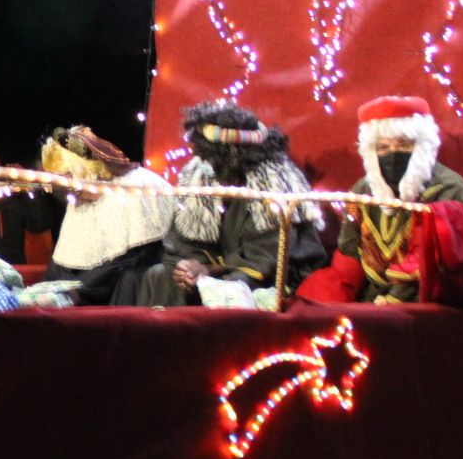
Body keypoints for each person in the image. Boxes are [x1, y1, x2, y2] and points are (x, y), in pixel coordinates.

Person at [139, 102, 327, 307]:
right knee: (159, 276)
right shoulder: (199, 175)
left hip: (270, 276)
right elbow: (183, 242)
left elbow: (268, 259)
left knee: (231, 289)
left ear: (230, 157)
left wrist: (209, 271)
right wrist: (189, 267)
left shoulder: (272, 184)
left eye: (209, 156)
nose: (202, 161)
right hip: (219, 267)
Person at [323, 95, 463, 304]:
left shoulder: (450, 189)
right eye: (383, 148)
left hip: (434, 301)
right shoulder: (362, 191)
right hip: (374, 298)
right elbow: (349, 251)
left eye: (404, 145)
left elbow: (442, 261)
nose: (393, 155)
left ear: (422, 146)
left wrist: (393, 300)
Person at [41, 126, 173, 304]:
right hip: (102, 276)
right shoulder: (79, 199)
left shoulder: (134, 186)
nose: (71, 193)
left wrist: (78, 287)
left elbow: (130, 256)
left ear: (88, 170)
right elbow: (66, 259)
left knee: (130, 277)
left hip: (136, 268)